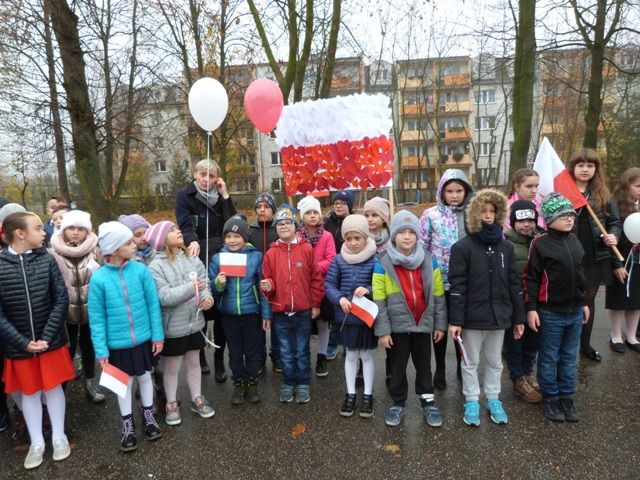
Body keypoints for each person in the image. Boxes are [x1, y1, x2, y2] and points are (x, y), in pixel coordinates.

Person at [0, 212, 74, 469]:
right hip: (19, 347)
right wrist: (22, 342)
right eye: (38, 228)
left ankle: (59, 436)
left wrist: (47, 336)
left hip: (49, 342)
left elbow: (61, 298)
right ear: (20, 233)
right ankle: (36, 443)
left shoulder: (47, 259)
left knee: (53, 389)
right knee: (29, 392)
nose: (44, 232)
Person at [448, 189, 525, 427]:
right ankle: (472, 400)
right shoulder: (462, 247)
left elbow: (514, 283)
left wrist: (518, 317)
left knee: (495, 361)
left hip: (499, 316)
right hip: (472, 318)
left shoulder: (506, 248)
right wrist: (456, 320)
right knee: (470, 362)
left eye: (493, 211)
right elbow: (458, 286)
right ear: (475, 214)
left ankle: (493, 398)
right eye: (483, 211)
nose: (488, 216)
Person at [88, 221, 164, 452]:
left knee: (145, 377)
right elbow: (97, 318)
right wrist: (101, 351)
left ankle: (148, 416)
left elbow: (153, 305)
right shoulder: (99, 279)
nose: (134, 245)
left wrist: (157, 336)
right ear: (113, 249)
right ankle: (127, 424)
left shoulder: (141, 271)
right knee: (124, 383)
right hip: (117, 345)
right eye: (128, 242)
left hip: (143, 339)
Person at [373, 211, 447, 428]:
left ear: (417, 235)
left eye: (411, 232)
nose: (407, 237)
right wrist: (383, 331)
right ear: (393, 235)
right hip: (397, 328)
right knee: (397, 367)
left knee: (424, 366)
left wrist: (440, 325)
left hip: (422, 325)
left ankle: (428, 402)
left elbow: (438, 296)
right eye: (402, 232)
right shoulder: (383, 263)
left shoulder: (429, 261)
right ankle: (398, 402)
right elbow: (379, 301)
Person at [524, 193, 588, 422]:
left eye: (571, 214)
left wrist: (584, 302)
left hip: (575, 310)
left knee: (569, 357)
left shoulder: (575, 240)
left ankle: (567, 397)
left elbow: (580, 275)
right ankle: (551, 398)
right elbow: (532, 278)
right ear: (550, 219)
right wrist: (531, 308)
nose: (569, 219)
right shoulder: (539, 244)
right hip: (550, 312)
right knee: (549, 357)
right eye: (563, 216)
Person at [146, 221, 215, 426]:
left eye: (178, 228)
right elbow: (164, 296)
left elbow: (204, 282)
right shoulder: (155, 266)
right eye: (172, 230)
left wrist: (207, 297)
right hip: (173, 327)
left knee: (194, 362)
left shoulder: (191, 258)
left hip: (195, 323)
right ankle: (171, 403)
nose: (179, 232)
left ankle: (197, 398)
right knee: (172, 367)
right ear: (161, 239)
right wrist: (191, 288)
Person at [176, 159, 236, 380]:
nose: (206, 180)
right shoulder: (184, 196)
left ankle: (219, 359)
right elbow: (184, 222)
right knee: (200, 304)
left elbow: (232, 221)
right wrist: (191, 239)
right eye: (203, 175)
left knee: (220, 309)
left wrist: (225, 195)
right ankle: (200, 355)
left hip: (221, 252)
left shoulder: (219, 195)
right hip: (198, 252)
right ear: (195, 174)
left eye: (211, 176)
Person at [260, 205, 324, 404]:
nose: (284, 227)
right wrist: (268, 286)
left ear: (296, 226)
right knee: (286, 352)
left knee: (302, 351)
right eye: (280, 224)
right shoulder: (270, 254)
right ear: (275, 228)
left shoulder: (306, 249)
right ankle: (289, 382)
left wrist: (315, 304)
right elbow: (268, 282)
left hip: (303, 311)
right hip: (281, 313)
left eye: (288, 223)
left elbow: (316, 279)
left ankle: (303, 382)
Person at [418, 168, 473, 389]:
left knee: (462, 327)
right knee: (439, 325)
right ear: (442, 191)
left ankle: (461, 365)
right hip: (438, 281)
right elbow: (422, 245)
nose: (454, 195)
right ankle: (440, 367)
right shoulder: (430, 215)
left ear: (466, 191)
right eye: (449, 191)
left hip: (465, 282)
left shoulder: (473, 214)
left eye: (459, 190)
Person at [211, 215, 272, 405]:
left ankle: (252, 382)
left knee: (252, 352)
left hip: (251, 313)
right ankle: (238, 382)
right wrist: (218, 283)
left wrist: (266, 313)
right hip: (229, 314)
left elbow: (262, 288)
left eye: (237, 236)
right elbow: (213, 288)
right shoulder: (218, 258)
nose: (232, 240)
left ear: (245, 238)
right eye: (228, 236)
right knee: (235, 352)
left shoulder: (256, 256)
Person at [568, 149, 621, 362]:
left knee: (588, 299)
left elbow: (614, 222)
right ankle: (565, 346)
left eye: (590, 166)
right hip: (569, 251)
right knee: (567, 299)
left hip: (595, 254)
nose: (585, 169)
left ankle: (585, 345)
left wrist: (614, 235)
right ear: (573, 167)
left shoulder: (604, 195)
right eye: (581, 165)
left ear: (596, 169)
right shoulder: (563, 190)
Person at [48, 209, 105, 403]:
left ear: (87, 230)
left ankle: (90, 382)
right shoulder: (53, 252)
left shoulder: (95, 250)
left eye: (80, 228)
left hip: (92, 310)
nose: (75, 232)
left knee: (90, 347)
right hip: (64, 313)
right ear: (63, 229)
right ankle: (60, 390)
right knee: (66, 351)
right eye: (71, 228)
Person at [325, 215, 378, 417]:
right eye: (349, 239)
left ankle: (368, 395)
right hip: (347, 317)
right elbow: (329, 285)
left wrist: (369, 289)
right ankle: (350, 394)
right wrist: (339, 299)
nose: (353, 243)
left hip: (365, 318)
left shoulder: (374, 259)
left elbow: (381, 284)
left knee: (366, 355)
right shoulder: (339, 260)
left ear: (365, 237)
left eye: (357, 238)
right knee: (351, 355)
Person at [503, 201, 542, 403]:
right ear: (513, 222)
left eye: (530, 220)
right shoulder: (507, 243)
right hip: (515, 302)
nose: (527, 224)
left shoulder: (540, 240)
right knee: (516, 342)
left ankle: (528, 372)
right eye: (521, 220)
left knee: (533, 340)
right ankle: (517, 378)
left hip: (535, 301)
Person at [297, 195, 336, 378]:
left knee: (323, 323)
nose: (312, 215)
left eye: (315, 212)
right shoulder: (297, 237)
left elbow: (331, 259)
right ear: (302, 217)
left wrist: (313, 268)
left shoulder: (327, 236)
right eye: (308, 213)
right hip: (302, 286)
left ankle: (322, 357)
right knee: (303, 323)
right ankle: (303, 358)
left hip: (323, 286)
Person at [606, 167, 640, 353]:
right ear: (626, 185)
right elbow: (612, 235)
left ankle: (632, 336)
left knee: (636, 299)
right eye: (638, 186)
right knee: (618, 298)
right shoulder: (615, 205)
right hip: (621, 258)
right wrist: (616, 265)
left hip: (639, 260)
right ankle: (616, 335)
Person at [248, 192, 280, 372]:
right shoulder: (250, 230)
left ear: (273, 210)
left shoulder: (279, 228)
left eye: (266, 207)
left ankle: (277, 355)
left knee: (277, 320)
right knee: (258, 321)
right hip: (255, 281)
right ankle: (259, 357)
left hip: (277, 281)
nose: (262, 210)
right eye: (259, 207)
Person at [324, 190, 355, 361]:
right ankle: (332, 343)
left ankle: (349, 345)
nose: (338, 206)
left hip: (352, 268)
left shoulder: (356, 221)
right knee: (336, 309)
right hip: (333, 269)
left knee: (351, 309)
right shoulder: (327, 223)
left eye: (342, 203)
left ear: (349, 206)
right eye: (336, 203)